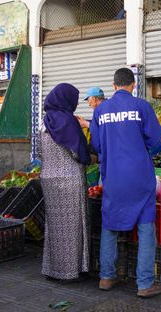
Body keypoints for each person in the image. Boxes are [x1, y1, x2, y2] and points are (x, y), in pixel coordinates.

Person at [90, 68, 161, 297]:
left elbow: (97, 146)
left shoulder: (100, 110)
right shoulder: (142, 107)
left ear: (113, 86)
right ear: (133, 85)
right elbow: (154, 139)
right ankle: (144, 284)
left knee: (110, 227)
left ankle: (106, 277)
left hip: (112, 177)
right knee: (145, 228)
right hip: (140, 177)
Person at [39, 83, 91, 281]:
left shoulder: (44, 122)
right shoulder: (67, 121)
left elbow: (40, 152)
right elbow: (77, 151)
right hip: (70, 180)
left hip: (49, 180)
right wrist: (88, 156)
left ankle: (53, 269)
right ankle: (71, 271)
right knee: (73, 227)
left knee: (53, 227)